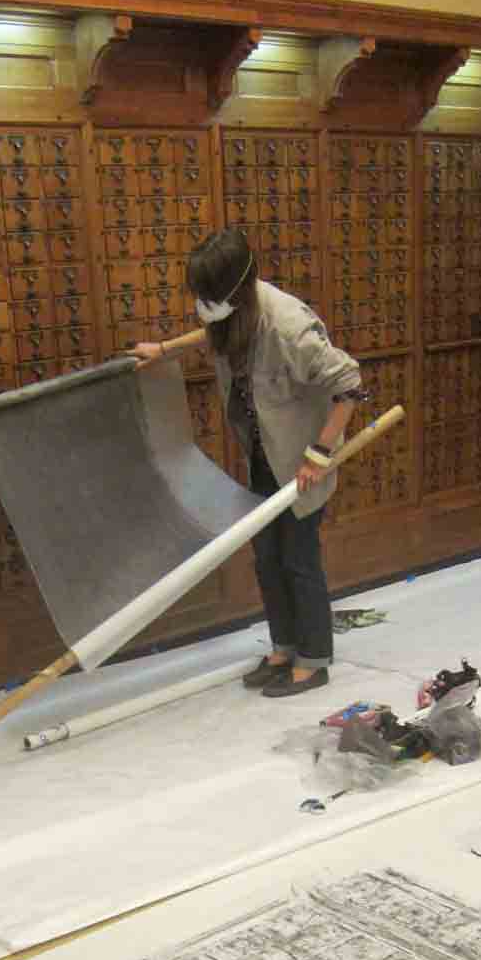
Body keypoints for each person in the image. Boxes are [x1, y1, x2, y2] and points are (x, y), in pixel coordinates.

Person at [133, 227, 366, 697]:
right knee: (265, 558)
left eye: (207, 294)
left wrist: (319, 453)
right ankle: (283, 647)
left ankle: (313, 659)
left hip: (302, 460)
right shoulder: (236, 313)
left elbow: (350, 385)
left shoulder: (288, 328)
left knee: (298, 558)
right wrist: (164, 350)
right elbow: (211, 332)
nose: (202, 303)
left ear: (232, 291)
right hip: (264, 453)